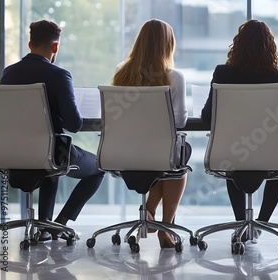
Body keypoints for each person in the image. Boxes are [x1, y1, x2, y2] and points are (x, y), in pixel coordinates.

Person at [0, 20, 106, 241]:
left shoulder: (8, 74)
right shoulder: (59, 75)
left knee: (50, 151)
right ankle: (58, 224)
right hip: (49, 153)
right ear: (55, 47)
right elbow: (74, 124)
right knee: (98, 166)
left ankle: (46, 225)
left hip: (12, 154)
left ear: (30, 43)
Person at [201, 19, 278, 241]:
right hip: (271, 154)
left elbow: (208, 117)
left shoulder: (223, 74)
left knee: (233, 155)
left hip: (232, 154)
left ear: (237, 46)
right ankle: (262, 222)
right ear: (271, 46)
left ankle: (240, 224)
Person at [111, 19, 190, 248]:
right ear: (168, 45)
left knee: (159, 157)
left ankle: (148, 212)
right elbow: (180, 121)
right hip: (158, 153)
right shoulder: (174, 77)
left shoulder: (120, 72)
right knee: (177, 158)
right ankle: (166, 227)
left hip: (125, 153)